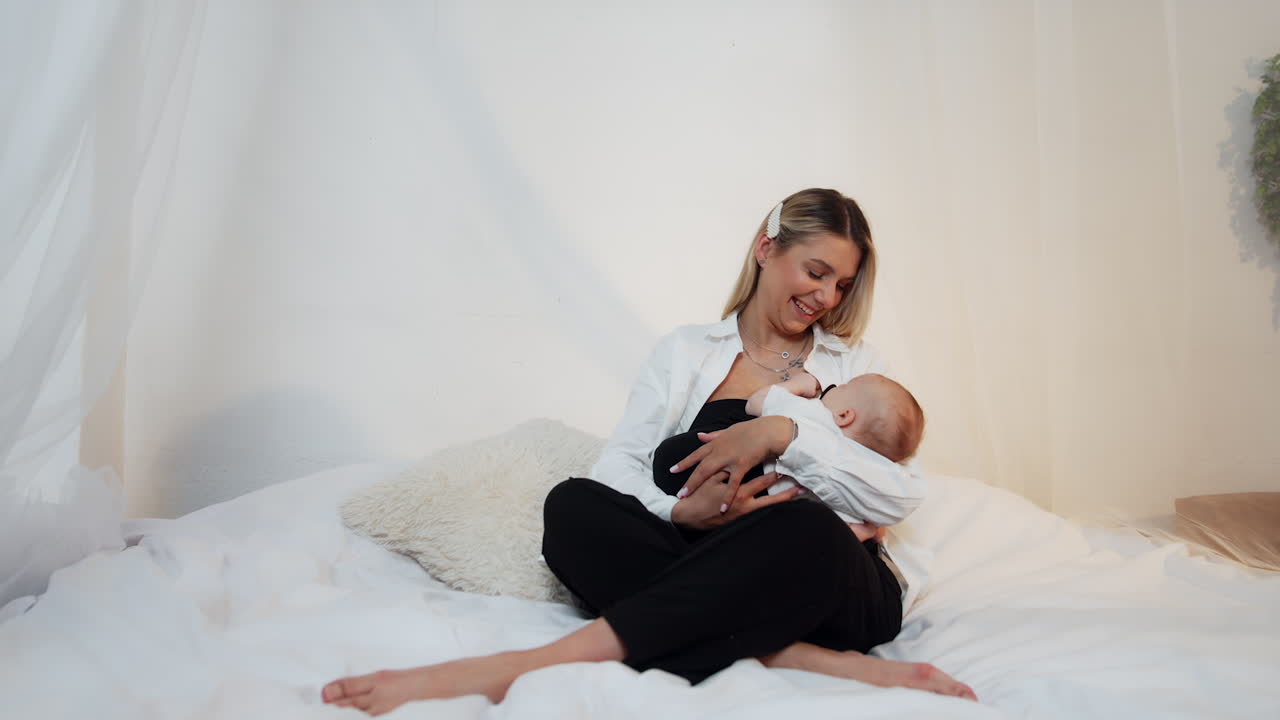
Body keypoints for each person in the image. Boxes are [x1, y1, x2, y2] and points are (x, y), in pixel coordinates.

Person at [321, 189, 976, 715]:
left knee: (800, 527)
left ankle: (518, 668)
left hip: (825, 576)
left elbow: (898, 492)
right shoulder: (686, 352)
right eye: (816, 272)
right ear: (765, 248)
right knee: (573, 507)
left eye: (842, 284)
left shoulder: (857, 366)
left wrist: (783, 432)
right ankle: (795, 657)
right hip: (713, 557)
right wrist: (679, 517)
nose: (827, 298)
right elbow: (619, 466)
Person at [651, 369, 924, 543]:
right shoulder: (867, 473)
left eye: (842, 386)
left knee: (669, 457)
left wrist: (799, 384)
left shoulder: (813, 414)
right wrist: (871, 530)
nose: (833, 387)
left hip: (751, 484)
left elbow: (757, 401)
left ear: (844, 415)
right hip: (780, 522)